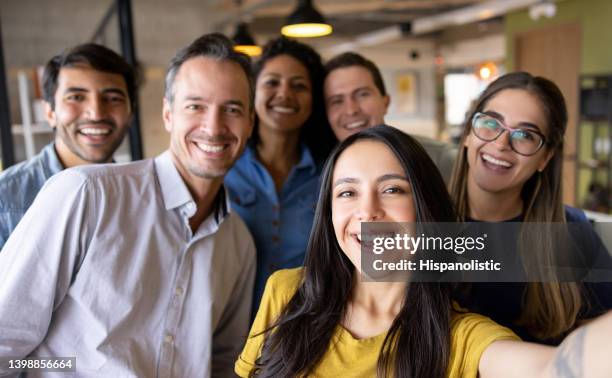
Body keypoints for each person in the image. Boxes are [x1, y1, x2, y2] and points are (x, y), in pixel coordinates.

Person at [235, 125, 612, 378]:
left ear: (425, 208)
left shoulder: (461, 337)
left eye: (393, 190)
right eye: (348, 193)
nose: (367, 211)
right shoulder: (286, 292)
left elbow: (553, 370)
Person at [0, 34, 255, 376]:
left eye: (232, 109)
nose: (213, 127)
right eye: (195, 106)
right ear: (168, 114)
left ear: (251, 122)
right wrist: (64, 366)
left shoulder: (238, 242)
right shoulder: (85, 195)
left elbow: (224, 363)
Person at [449, 72, 612, 344]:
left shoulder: (571, 231)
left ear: (545, 158)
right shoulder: (419, 220)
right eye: (490, 123)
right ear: (467, 133)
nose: (501, 144)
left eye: (524, 134)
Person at [225, 36, 336, 309]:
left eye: (299, 86)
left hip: (309, 333)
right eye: (272, 82)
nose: (285, 94)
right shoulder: (223, 170)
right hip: (231, 335)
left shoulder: (332, 176)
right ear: (252, 93)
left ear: (313, 101)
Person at [0, 43, 135, 249]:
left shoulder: (140, 195)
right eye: (76, 97)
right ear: (50, 112)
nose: (96, 113)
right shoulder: (6, 199)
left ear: (130, 113)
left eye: (113, 98)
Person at [323, 51, 457, 182]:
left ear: (385, 102)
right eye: (337, 101)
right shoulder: (320, 173)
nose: (351, 110)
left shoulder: (440, 160)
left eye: (362, 94)